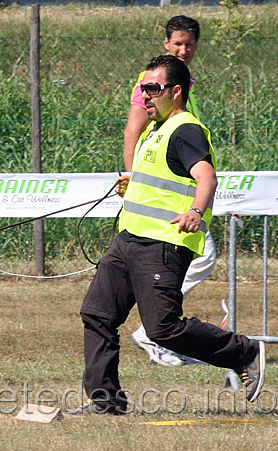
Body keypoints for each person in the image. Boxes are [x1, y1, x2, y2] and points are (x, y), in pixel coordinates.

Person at [76, 55, 265, 415]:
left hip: (163, 244)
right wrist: (132, 184)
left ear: (176, 92)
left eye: (153, 89)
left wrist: (196, 210)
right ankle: (105, 403)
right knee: (97, 314)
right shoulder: (153, 130)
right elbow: (162, 180)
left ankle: (244, 352)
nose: (145, 96)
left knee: (162, 328)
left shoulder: (185, 130)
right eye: (142, 88)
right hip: (128, 240)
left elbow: (206, 177)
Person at [124, 15, 217, 367]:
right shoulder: (154, 83)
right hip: (164, 207)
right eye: (177, 44)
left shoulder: (180, 82)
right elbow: (133, 131)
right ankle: (153, 332)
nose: (184, 49)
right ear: (166, 44)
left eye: (189, 44)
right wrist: (134, 180)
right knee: (202, 256)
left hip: (175, 199)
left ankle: (155, 331)